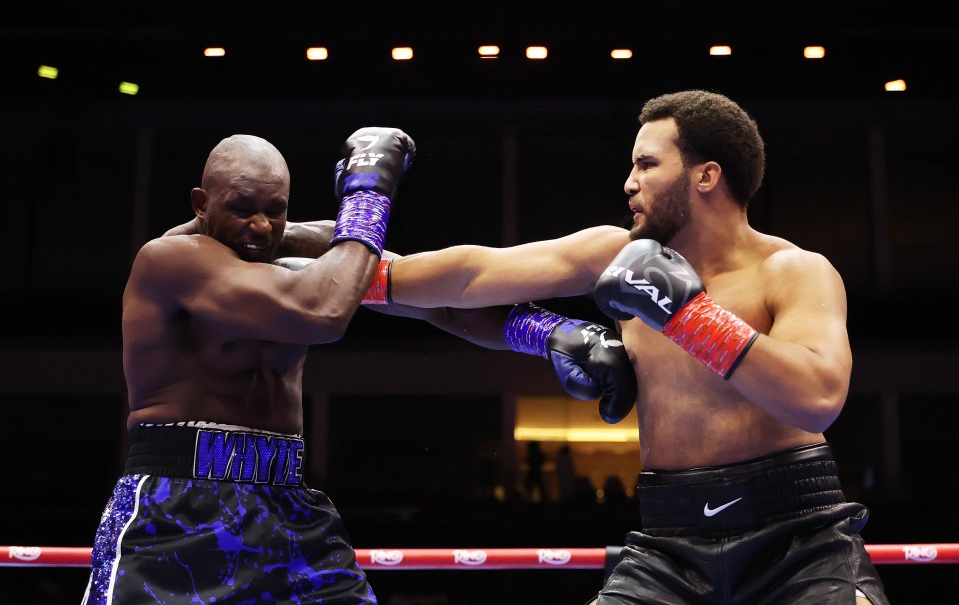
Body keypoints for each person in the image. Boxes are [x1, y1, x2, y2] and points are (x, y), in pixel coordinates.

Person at [363, 90, 889, 604]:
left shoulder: (792, 270)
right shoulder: (616, 253)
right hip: (669, 545)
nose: (629, 182)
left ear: (706, 175)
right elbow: (471, 277)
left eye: (647, 164)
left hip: (799, 543)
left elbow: (818, 398)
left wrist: (688, 316)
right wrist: (345, 263)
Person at [83, 129, 636, 605]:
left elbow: (437, 299)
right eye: (242, 208)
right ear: (201, 203)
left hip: (287, 505)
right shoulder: (168, 261)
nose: (260, 226)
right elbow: (321, 312)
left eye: (275, 210)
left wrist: (551, 333)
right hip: (176, 504)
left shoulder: (313, 251)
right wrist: (368, 193)